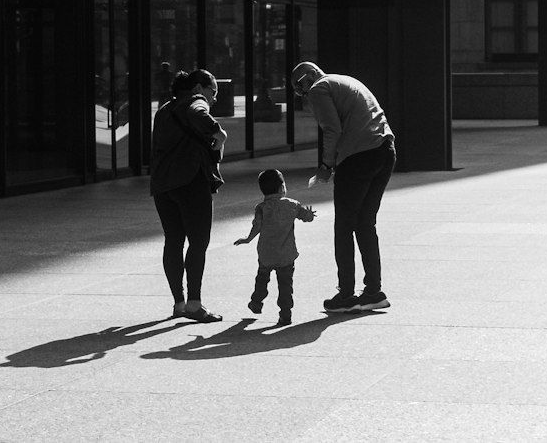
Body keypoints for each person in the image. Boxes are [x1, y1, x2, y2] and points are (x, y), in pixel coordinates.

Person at [291, 60, 396, 313]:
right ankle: (373, 291)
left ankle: (346, 294)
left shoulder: (319, 88)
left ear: (306, 80)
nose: (306, 97)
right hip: (386, 150)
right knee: (365, 223)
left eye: (301, 91)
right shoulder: (345, 80)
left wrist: (326, 166)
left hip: (358, 156)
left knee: (344, 226)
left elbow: (332, 129)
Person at [150, 67, 227, 321]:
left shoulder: (163, 110)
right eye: (212, 91)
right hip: (191, 181)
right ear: (198, 88)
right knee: (198, 242)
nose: (214, 98)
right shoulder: (195, 101)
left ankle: (179, 303)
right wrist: (219, 133)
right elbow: (199, 112)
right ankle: (195, 304)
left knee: (173, 241)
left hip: (163, 185)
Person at [234, 167, 315, 327]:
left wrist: (247, 239)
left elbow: (257, 227)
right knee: (285, 285)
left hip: (266, 254)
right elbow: (307, 218)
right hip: (286, 254)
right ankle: (285, 314)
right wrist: (310, 214)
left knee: (262, 280)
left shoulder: (261, 208)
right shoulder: (292, 205)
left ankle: (256, 302)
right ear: (282, 187)